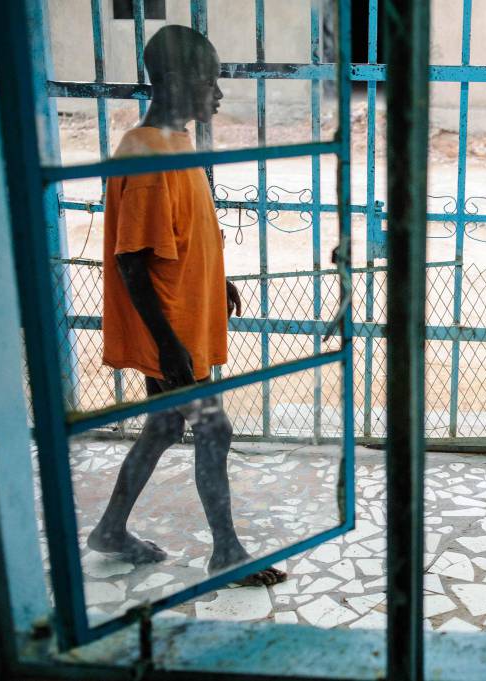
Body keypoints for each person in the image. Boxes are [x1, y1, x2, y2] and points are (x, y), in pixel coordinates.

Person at [88, 25, 286, 586]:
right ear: (176, 81)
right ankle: (226, 551)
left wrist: (216, 284)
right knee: (213, 429)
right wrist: (168, 344)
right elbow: (133, 262)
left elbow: (178, 234)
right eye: (210, 81)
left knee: (162, 426)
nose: (217, 95)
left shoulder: (172, 143)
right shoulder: (147, 153)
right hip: (168, 329)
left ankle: (110, 529)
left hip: (181, 317)